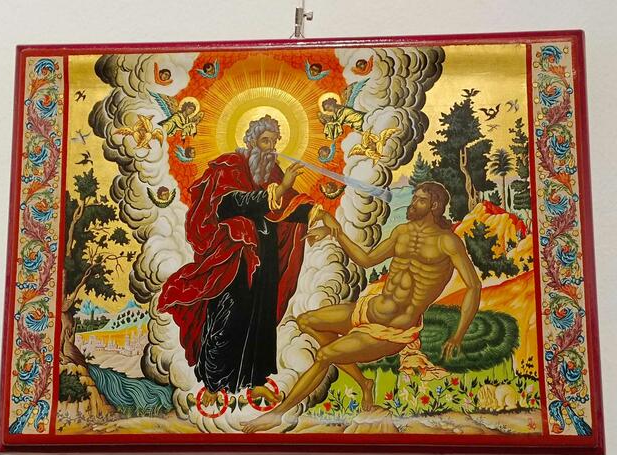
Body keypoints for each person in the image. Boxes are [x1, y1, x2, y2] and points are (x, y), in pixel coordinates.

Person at [242, 181, 481, 432]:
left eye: (421, 200)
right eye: (414, 197)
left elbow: (474, 286)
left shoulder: (447, 242)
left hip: (392, 330)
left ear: (435, 205)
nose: (413, 203)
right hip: (369, 309)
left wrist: (459, 334)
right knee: (306, 321)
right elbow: (366, 260)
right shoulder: (402, 232)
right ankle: (364, 382)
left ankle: (278, 415)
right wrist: (335, 232)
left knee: (324, 356)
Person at [158, 115, 338, 406]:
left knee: (261, 320)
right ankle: (214, 384)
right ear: (252, 141)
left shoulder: (272, 172)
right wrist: (279, 191)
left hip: (264, 255)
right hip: (235, 256)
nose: (271, 148)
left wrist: (317, 215)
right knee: (229, 316)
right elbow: (229, 204)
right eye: (265, 141)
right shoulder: (230, 166)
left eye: (274, 142)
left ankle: (255, 383)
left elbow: (286, 206)